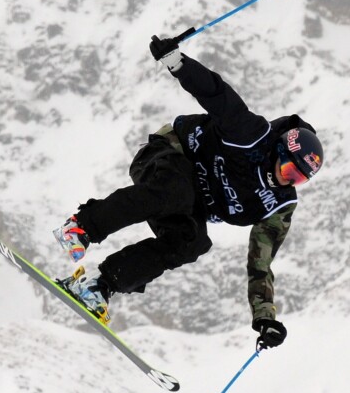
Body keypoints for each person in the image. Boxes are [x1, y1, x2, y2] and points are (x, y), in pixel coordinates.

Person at [52, 34, 324, 350]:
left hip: (190, 200)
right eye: (288, 170)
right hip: (168, 154)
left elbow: (260, 262)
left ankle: (98, 287)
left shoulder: (278, 204)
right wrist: (177, 63)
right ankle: (81, 227)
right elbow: (216, 94)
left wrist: (265, 318)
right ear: (279, 150)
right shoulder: (252, 135)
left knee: (192, 242)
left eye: (297, 180)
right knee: (173, 192)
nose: (286, 181)